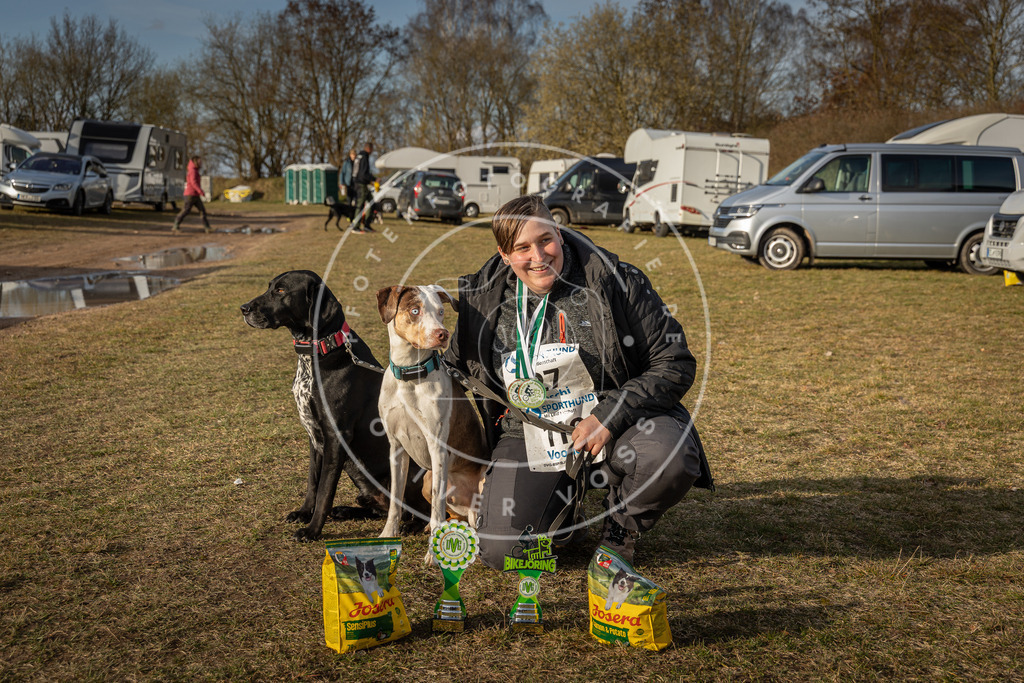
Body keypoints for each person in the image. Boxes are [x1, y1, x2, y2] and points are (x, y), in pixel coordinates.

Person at [445, 194, 713, 570]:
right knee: (503, 552)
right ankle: (564, 510)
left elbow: (673, 362)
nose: (539, 256)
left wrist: (608, 416)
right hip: (531, 434)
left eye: (545, 240)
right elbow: (453, 368)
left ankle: (621, 528)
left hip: (620, 424)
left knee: (667, 457)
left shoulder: (617, 279)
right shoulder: (483, 298)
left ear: (559, 232)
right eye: (522, 248)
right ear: (505, 255)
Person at [172, 155, 211, 233]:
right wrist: (200, 191)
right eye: (200, 161)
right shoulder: (193, 171)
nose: (201, 163)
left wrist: (199, 192)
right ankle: (175, 225)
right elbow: (193, 183)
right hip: (190, 195)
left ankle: (207, 228)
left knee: (202, 210)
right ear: (195, 162)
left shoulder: (195, 170)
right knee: (186, 210)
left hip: (195, 195)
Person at [350, 142, 376, 233]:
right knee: (360, 205)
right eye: (372, 149)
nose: (372, 151)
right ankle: (355, 227)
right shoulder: (364, 157)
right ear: (369, 149)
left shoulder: (359, 157)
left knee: (372, 203)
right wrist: (374, 179)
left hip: (359, 183)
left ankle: (366, 225)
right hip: (361, 185)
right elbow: (363, 174)